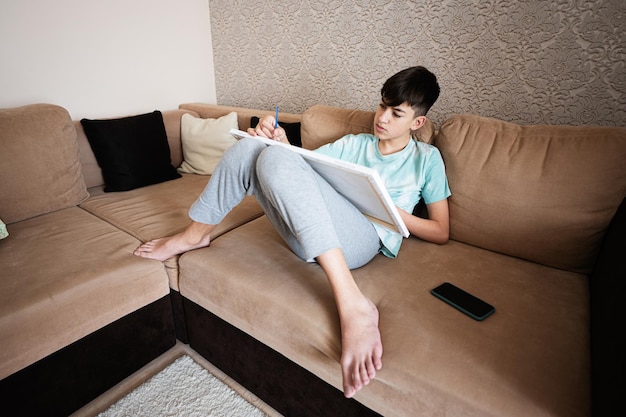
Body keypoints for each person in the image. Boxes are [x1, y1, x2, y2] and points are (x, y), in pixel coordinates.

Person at [134, 66, 451, 399]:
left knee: (274, 158)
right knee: (252, 149)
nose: (382, 117)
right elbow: (298, 169)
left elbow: (441, 230)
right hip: (311, 230)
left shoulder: (426, 159)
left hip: (362, 241)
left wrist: (388, 207)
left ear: (417, 122)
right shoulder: (354, 143)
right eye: (382, 105)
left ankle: (353, 304)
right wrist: (279, 140)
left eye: (396, 113)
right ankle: (194, 235)